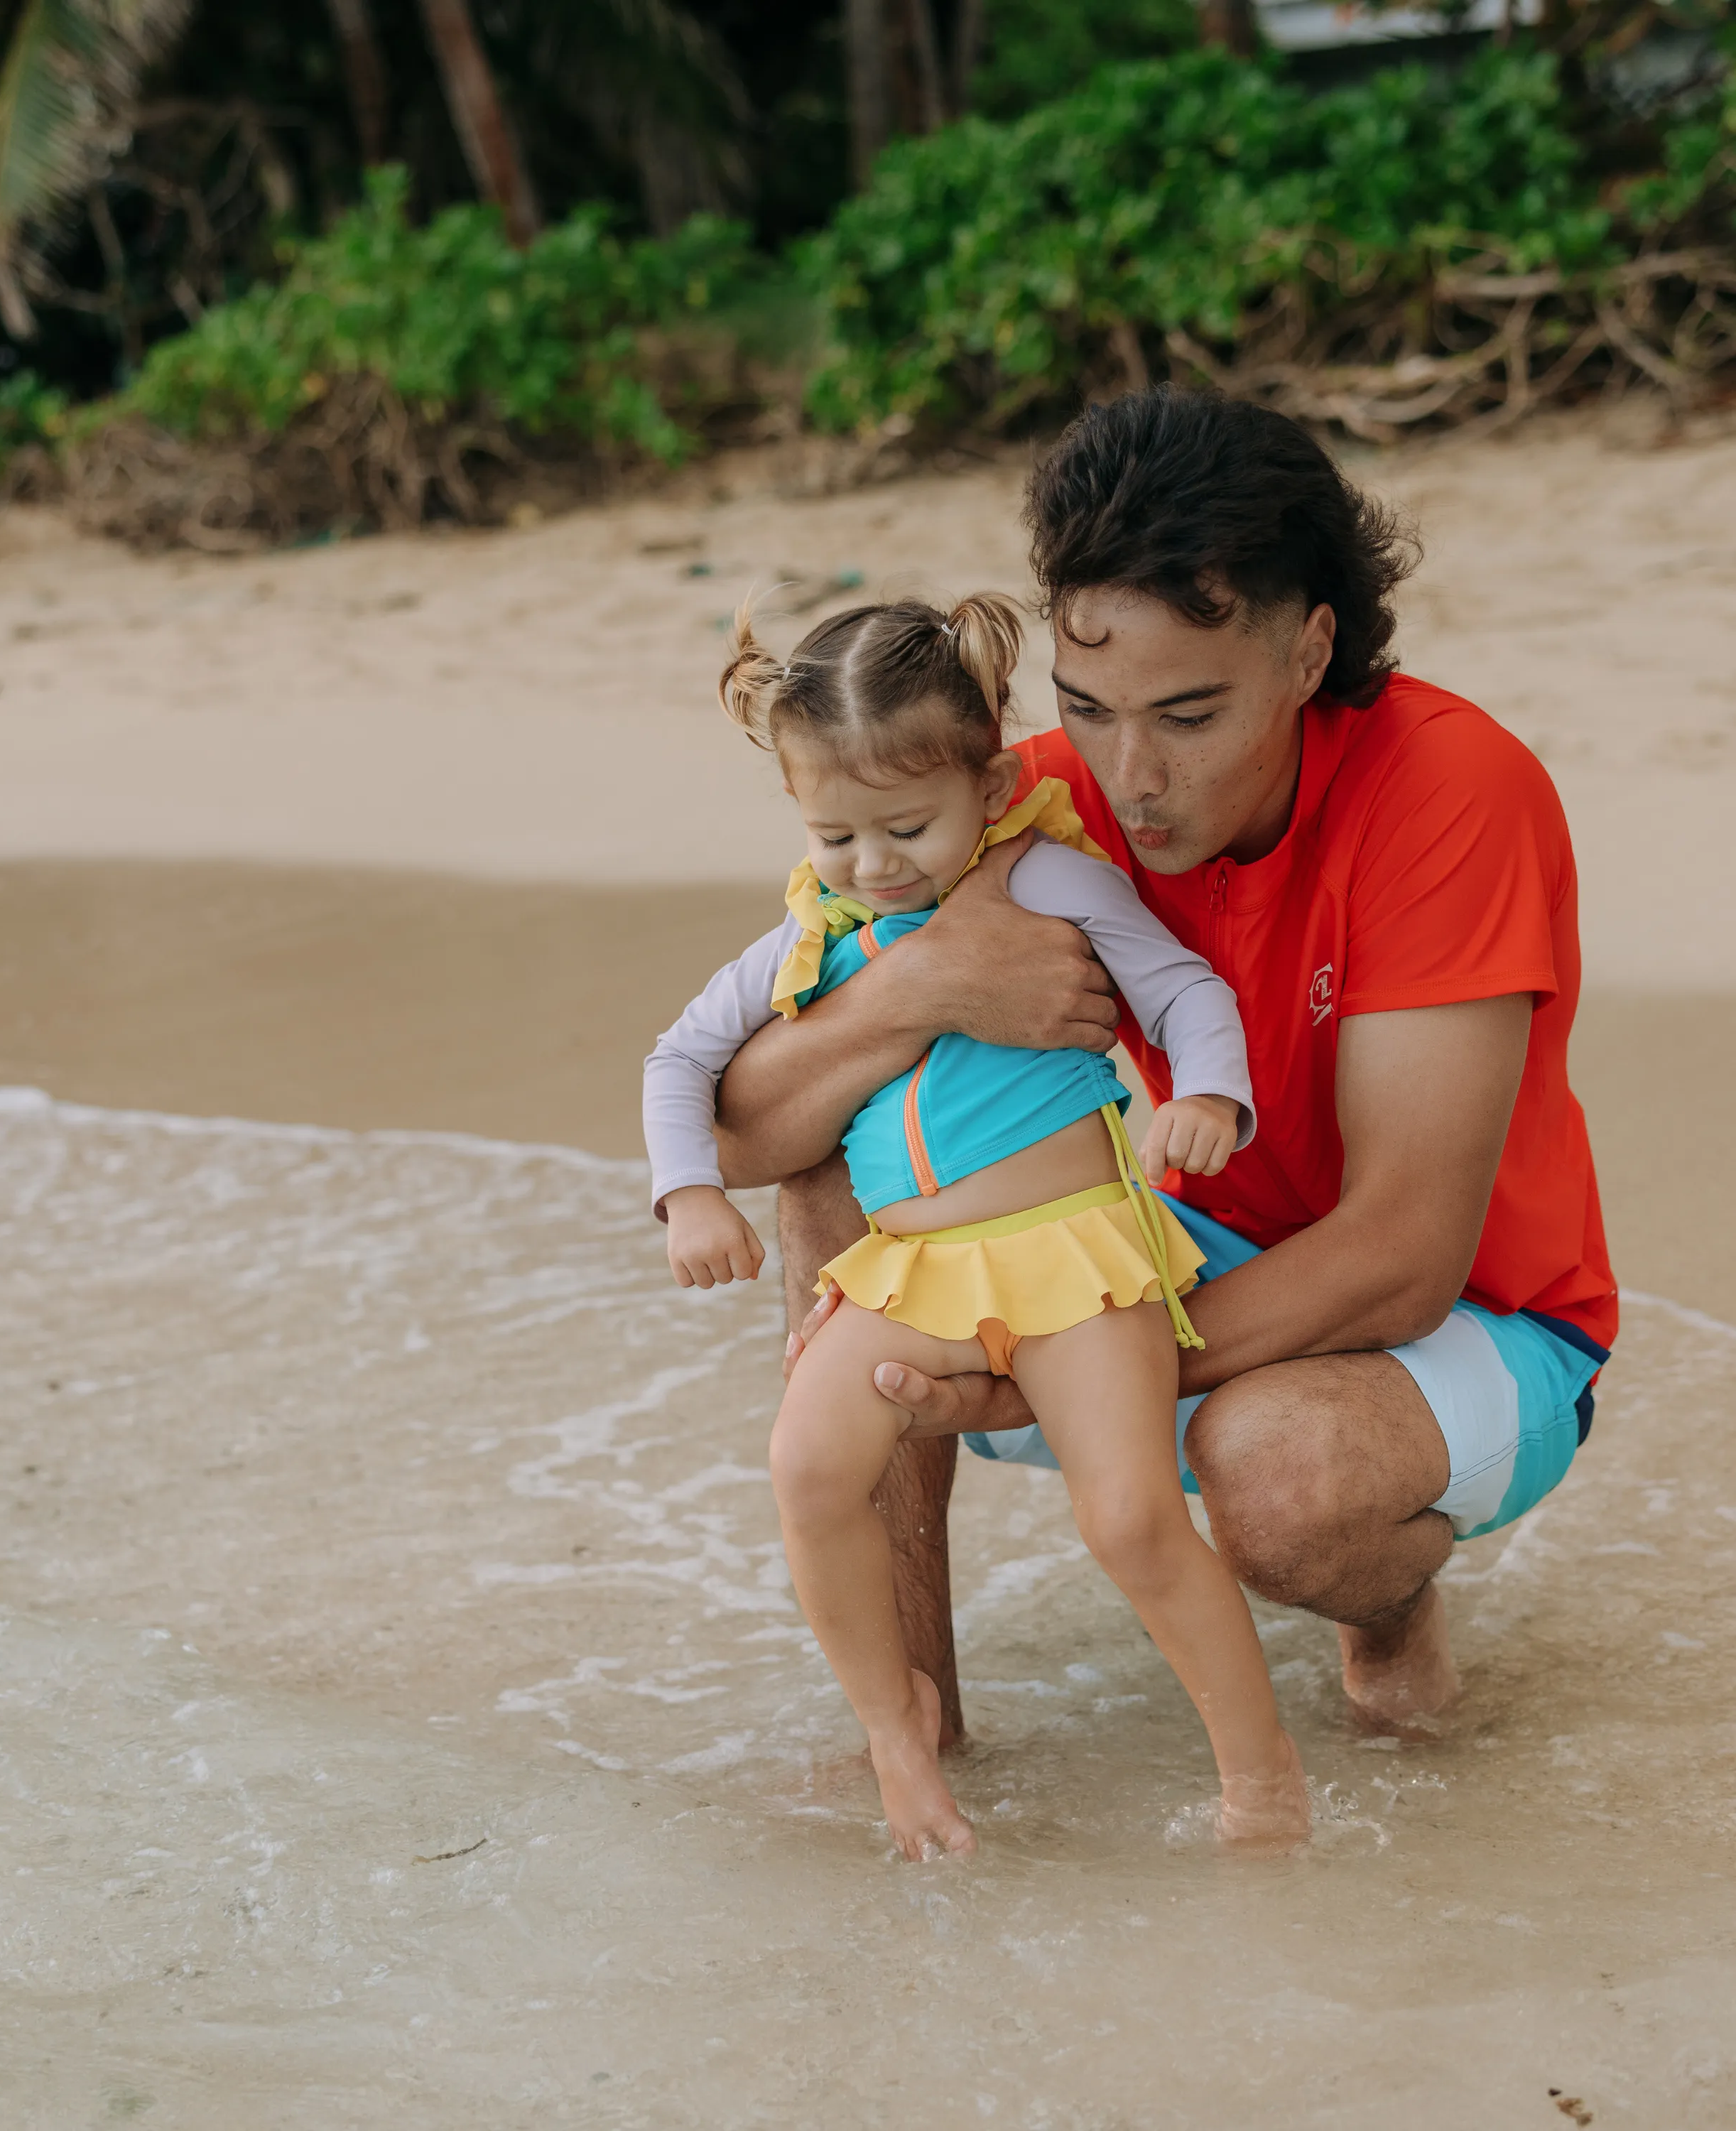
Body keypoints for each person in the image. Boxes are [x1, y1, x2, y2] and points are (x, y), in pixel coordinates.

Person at [707, 389, 1617, 1749]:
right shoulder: (1026, 802)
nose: (1130, 778)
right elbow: (749, 1136)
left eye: (1189, 714)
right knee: (845, 1179)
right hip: (1182, 1243)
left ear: (1310, 651)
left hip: (1480, 1319)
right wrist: (918, 985)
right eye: (1088, 707)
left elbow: (1405, 1252)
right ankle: (922, 1741)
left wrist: (1065, 1370)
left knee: (1282, 1480)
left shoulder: (1449, 791)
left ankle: (1391, 1594)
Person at [643, 589, 1311, 1860]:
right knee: (808, 1467)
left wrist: (1210, 1092)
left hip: (1072, 1249)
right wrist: (687, 1196)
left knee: (1127, 1517)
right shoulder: (814, 932)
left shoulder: (1043, 874)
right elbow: (678, 1062)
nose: (874, 865)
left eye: (906, 825)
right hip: (914, 1272)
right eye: (835, 833)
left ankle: (1259, 1773)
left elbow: (1183, 987)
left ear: (992, 778)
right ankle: (902, 1731)